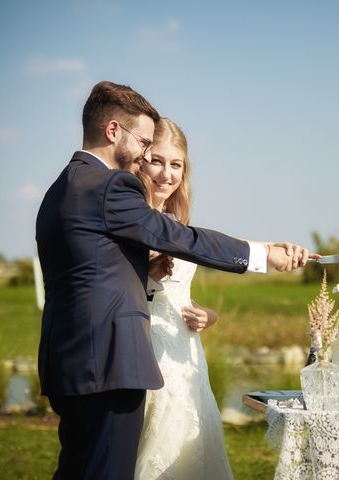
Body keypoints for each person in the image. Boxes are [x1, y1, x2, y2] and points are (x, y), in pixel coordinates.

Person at [36, 81, 309, 480]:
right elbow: (179, 237)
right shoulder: (110, 184)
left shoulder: (61, 187)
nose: (146, 155)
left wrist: (146, 277)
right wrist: (262, 253)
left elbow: (92, 274)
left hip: (73, 363)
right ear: (113, 131)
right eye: (144, 142)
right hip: (109, 365)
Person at [134, 118, 233, 479]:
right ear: (140, 159)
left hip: (187, 354)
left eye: (176, 165)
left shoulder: (176, 223)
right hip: (146, 349)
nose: (166, 173)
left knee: (193, 445)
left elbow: (183, 296)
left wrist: (208, 315)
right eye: (157, 161)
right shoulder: (127, 217)